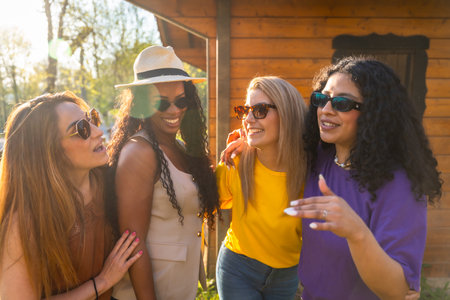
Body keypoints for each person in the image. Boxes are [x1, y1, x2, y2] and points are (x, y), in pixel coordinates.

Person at [283, 56, 442, 299]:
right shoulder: (318, 159)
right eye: (321, 99)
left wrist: (357, 233)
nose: (325, 109)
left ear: (375, 114)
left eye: (342, 104)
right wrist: (246, 144)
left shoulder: (399, 185)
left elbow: (398, 291)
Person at [0, 91, 142, 299]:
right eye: (82, 129)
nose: (98, 131)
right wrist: (101, 282)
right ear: (49, 151)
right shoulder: (24, 221)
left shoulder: (109, 182)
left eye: (92, 119)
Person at [108, 45, 220, 300]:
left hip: (179, 289)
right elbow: (133, 244)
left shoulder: (179, 147)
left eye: (181, 101)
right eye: (161, 102)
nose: (174, 110)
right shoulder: (139, 152)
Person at [215, 76, 308, 299]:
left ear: (287, 114)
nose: (247, 119)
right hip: (237, 270)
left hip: (287, 277)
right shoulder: (235, 162)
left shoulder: (310, 169)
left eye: (259, 110)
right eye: (245, 110)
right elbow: (207, 201)